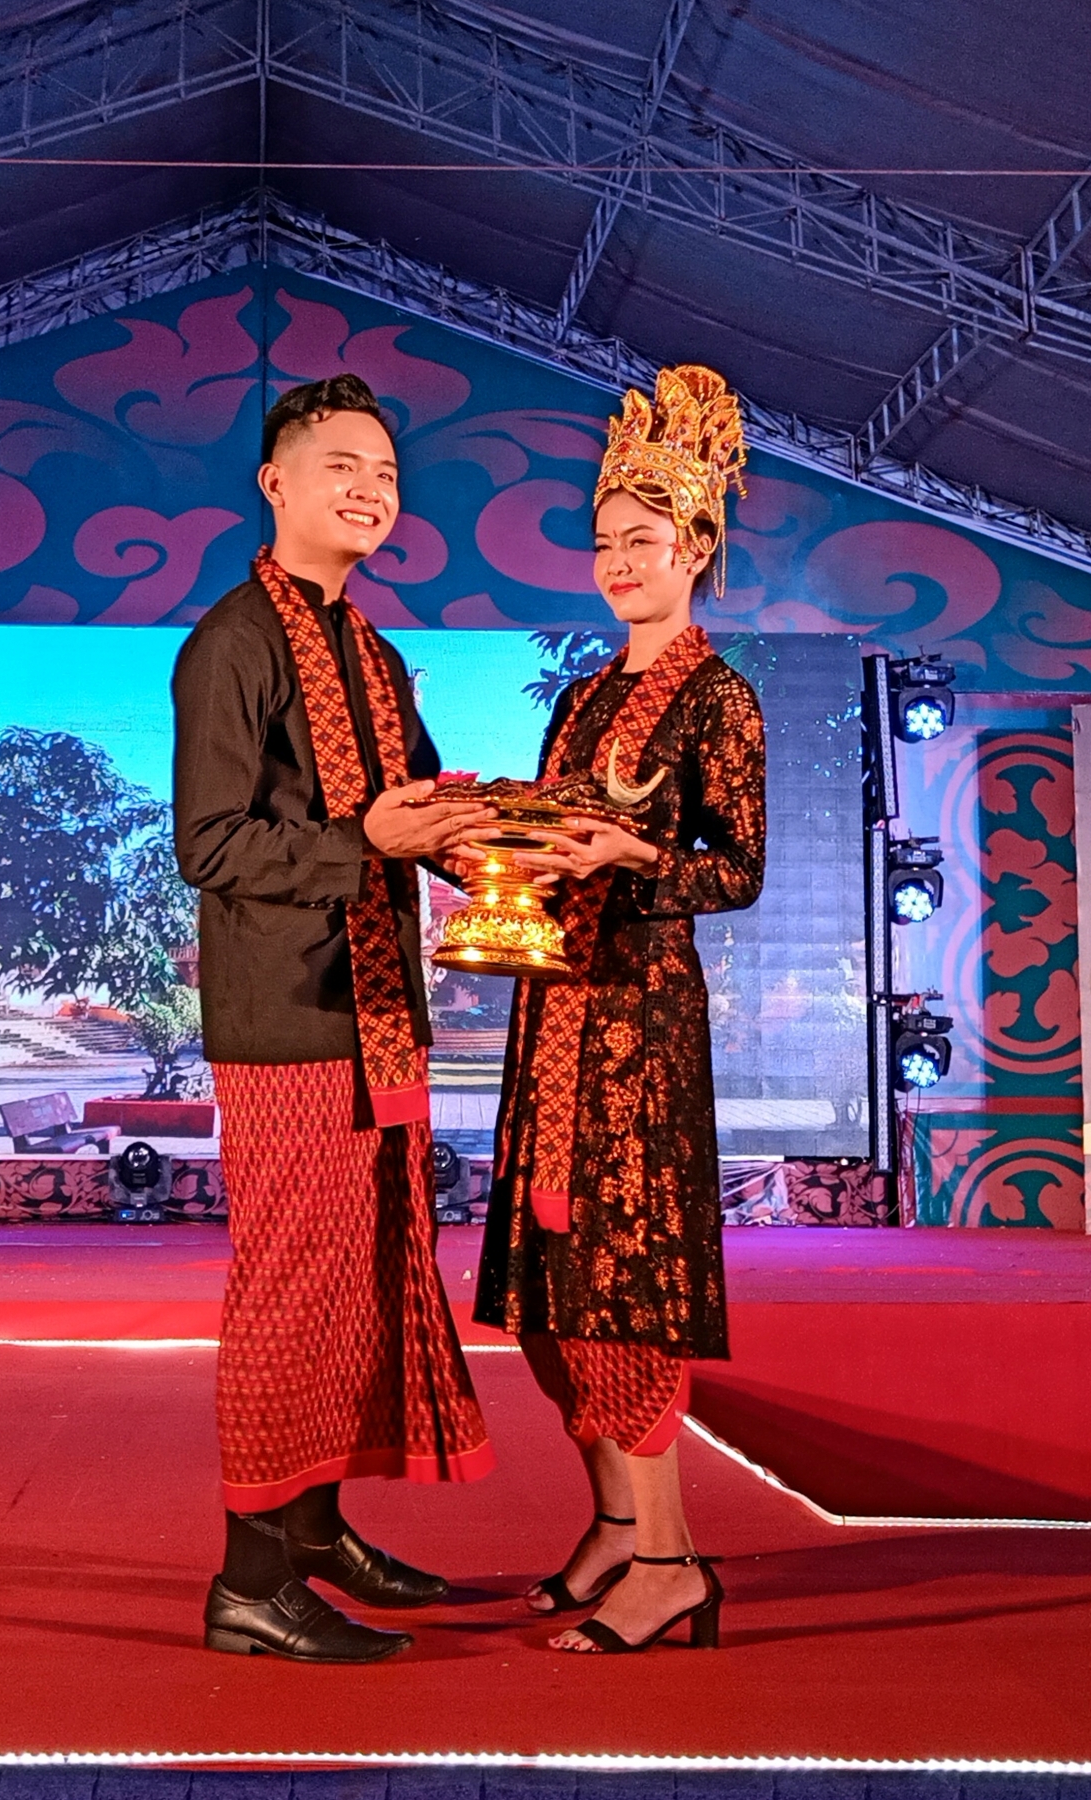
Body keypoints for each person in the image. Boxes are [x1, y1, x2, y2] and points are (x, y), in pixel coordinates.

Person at [173, 373, 497, 1664]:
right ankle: (252, 1578)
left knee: (357, 1283)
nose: (370, 490)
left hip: (376, 1012)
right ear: (277, 482)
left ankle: (313, 1531)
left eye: (385, 473)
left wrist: (529, 836)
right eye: (343, 465)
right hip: (287, 1019)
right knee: (288, 1290)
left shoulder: (372, 650)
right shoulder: (232, 643)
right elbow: (209, 841)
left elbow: (420, 800)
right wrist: (363, 841)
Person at [473, 365, 766, 1655]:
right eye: (603, 545)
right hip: (556, 1017)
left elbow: (737, 869)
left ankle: (674, 1562)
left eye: (643, 543)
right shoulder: (585, 697)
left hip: (641, 1025)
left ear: (697, 546)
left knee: (619, 1286)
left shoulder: (719, 697)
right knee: (542, 1291)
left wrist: (634, 860)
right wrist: (506, 853)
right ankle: (610, 1524)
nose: (618, 565)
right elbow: (556, 834)